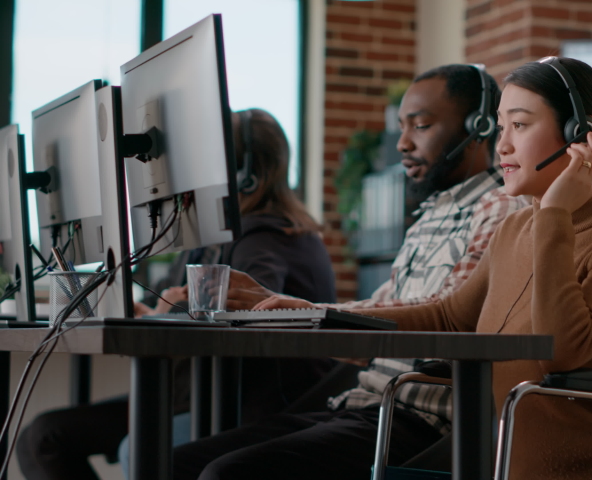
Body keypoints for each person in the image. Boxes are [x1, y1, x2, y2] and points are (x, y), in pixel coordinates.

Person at [254, 57, 592, 479]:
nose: (502, 145)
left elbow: (559, 350)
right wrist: (318, 318)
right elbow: (448, 316)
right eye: (501, 126)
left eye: (520, 126)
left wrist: (554, 214)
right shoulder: (513, 230)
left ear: (580, 134)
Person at [171, 64, 528, 480]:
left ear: (479, 127)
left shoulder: (500, 210)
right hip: (361, 404)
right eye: (402, 127)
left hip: (418, 420)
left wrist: (302, 312)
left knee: (226, 472)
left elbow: (447, 321)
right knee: (176, 463)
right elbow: (373, 323)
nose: (403, 143)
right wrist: (287, 312)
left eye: (422, 126)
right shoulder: (431, 216)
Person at [15, 108, 338, 480]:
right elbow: (179, 302)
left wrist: (169, 312)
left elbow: (251, 311)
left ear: (244, 174)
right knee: (41, 438)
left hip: (250, 405)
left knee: (117, 447)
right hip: (198, 391)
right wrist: (153, 311)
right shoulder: (209, 237)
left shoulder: (266, 237)